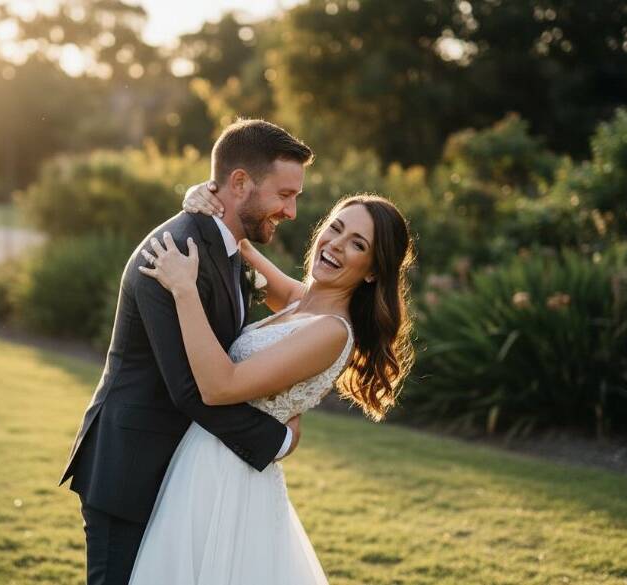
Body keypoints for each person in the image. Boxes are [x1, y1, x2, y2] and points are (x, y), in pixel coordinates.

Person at [59, 118, 315, 585]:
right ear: (240, 183)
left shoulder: (227, 246)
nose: (292, 210)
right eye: (284, 194)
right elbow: (190, 388)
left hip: (182, 473)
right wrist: (276, 440)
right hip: (131, 467)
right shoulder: (172, 254)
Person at [127, 184, 415, 583]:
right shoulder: (301, 302)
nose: (335, 244)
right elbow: (237, 240)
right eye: (335, 228)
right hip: (207, 456)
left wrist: (184, 289)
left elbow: (219, 387)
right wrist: (201, 196)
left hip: (228, 474)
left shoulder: (331, 331)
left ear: (372, 271)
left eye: (357, 244)